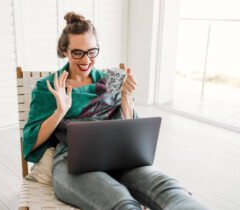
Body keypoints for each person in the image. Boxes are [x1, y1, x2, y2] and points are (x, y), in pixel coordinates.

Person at [23, 12, 208, 210]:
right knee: (119, 201)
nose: (86, 60)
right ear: (64, 51)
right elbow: (30, 140)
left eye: (92, 51)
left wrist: (127, 99)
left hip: (119, 155)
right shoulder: (48, 86)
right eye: (78, 52)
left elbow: (130, 132)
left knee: (169, 189)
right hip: (72, 161)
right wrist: (60, 111)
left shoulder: (111, 79)